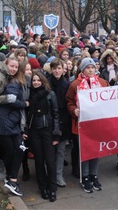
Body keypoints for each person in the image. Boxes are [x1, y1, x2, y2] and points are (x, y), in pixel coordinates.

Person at [66, 58, 110, 193]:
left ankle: (93, 175)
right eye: (87, 68)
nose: (90, 70)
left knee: (95, 150)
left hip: (97, 124)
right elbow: (69, 101)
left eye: (92, 67)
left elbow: (109, 99)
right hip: (81, 124)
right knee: (84, 151)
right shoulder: (75, 84)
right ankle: (84, 177)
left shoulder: (102, 83)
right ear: (82, 69)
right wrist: (74, 110)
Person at [0, 57, 28, 196]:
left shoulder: (18, 82)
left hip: (12, 123)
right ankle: (11, 180)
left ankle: (11, 179)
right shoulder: (14, 83)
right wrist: (25, 104)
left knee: (18, 150)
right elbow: (11, 100)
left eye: (16, 67)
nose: (14, 69)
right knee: (14, 151)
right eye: (12, 66)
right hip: (4, 122)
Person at [28, 70, 62, 202]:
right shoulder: (29, 94)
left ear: (43, 81)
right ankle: (43, 187)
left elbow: (56, 114)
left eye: (38, 80)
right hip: (34, 131)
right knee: (39, 161)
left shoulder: (50, 94)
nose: (36, 83)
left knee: (50, 161)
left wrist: (56, 134)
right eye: (34, 80)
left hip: (47, 130)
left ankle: (52, 188)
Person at [47, 58, 72, 187]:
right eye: (54, 68)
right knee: (50, 150)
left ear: (63, 70)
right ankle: (50, 174)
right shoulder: (46, 83)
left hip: (63, 121)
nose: (57, 71)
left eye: (59, 68)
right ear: (51, 69)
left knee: (61, 150)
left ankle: (58, 174)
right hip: (49, 121)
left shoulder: (67, 85)